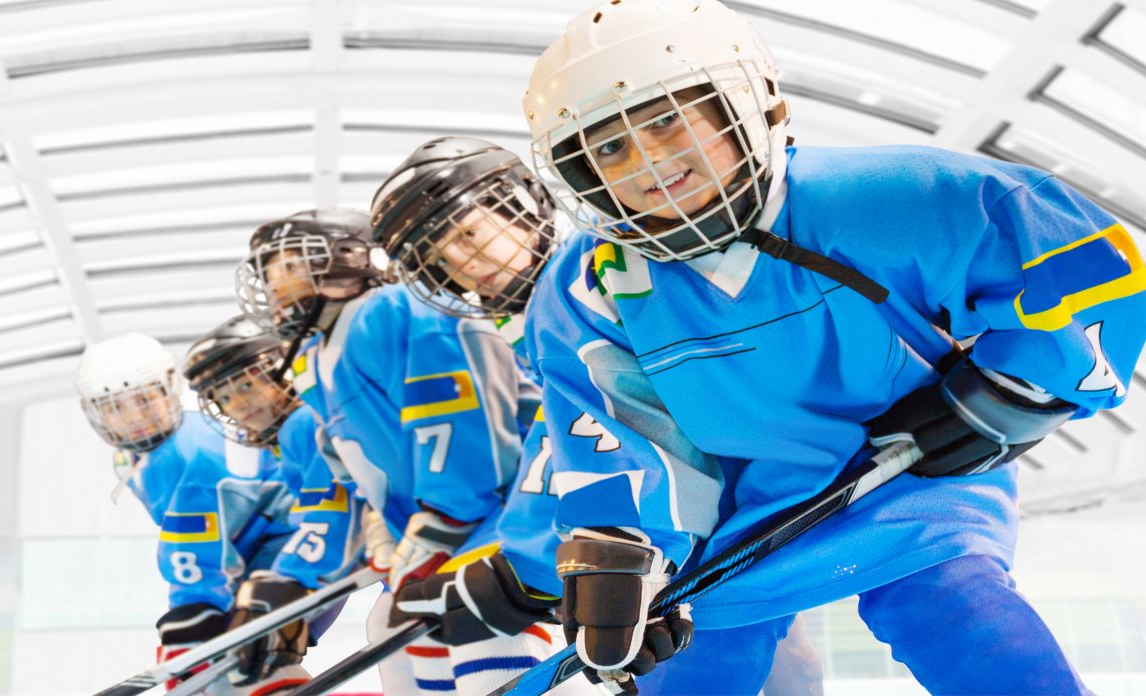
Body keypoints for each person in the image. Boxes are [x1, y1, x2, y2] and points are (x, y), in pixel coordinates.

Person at [519, 1, 1146, 692]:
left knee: (961, 616)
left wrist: (1004, 396)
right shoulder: (590, 288)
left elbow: (1090, 268)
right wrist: (622, 561)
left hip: (913, 471)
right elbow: (612, 428)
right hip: (743, 517)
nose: (648, 160)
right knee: (698, 671)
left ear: (748, 101)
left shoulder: (887, 198)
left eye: (666, 118)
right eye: (608, 147)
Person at [369, 135, 821, 694]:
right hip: (704, 522)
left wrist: (524, 570)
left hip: (705, 514)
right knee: (782, 664)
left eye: (468, 233)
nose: (465, 262)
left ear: (521, 205)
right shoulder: (527, 320)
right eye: (440, 258)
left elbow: (591, 431)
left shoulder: (591, 274)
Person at [237, 208, 544, 695]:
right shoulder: (317, 358)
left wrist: (441, 523)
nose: (276, 285)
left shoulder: (400, 311)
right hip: (452, 528)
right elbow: (347, 468)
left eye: (291, 266)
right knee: (394, 626)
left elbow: (460, 427)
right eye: (271, 273)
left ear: (352, 258)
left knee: (481, 625)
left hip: (509, 517)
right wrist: (373, 533)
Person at [75, 331, 303, 694]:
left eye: (145, 400)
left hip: (294, 549)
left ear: (169, 390)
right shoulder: (138, 455)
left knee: (243, 661)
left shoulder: (194, 452)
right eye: (115, 407)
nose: (135, 418)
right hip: (261, 552)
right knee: (237, 663)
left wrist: (192, 617)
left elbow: (195, 548)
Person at [182, 315, 363, 691]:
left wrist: (282, 587)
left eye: (247, 384)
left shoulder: (304, 424)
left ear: (280, 369)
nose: (240, 404)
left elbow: (333, 518)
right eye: (225, 396)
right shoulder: (289, 437)